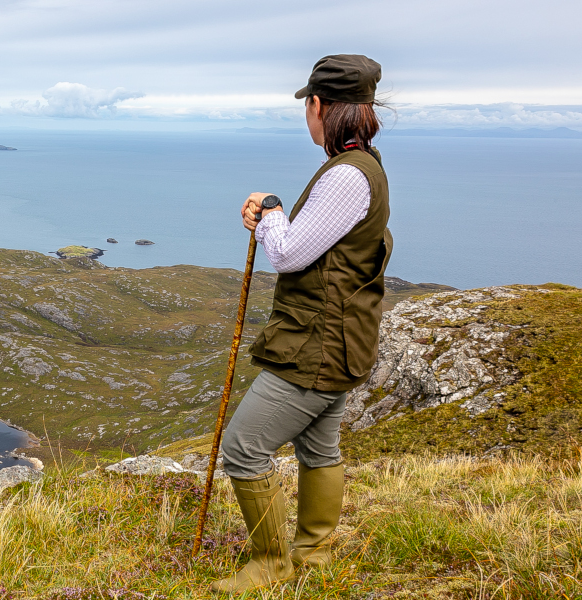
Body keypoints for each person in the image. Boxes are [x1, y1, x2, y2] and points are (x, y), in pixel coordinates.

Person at [211, 54, 392, 594]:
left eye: (307, 105)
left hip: (316, 345)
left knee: (243, 448)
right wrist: (272, 215)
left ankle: (271, 565)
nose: (306, 114)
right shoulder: (367, 166)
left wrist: (269, 212)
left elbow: (288, 255)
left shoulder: (346, 176)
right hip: (342, 339)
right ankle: (314, 553)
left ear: (320, 106)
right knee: (319, 448)